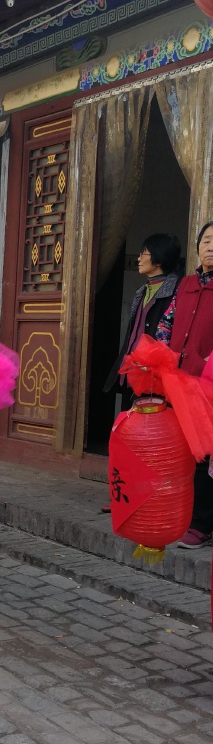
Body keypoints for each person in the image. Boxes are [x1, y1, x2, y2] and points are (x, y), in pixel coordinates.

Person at [156, 221, 213, 548]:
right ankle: (184, 514)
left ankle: (202, 524)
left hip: (209, 386)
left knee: (206, 454)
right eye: (206, 240)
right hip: (180, 381)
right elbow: (167, 321)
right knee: (182, 450)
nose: (210, 247)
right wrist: (163, 351)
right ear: (197, 247)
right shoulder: (186, 284)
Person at [104, 234, 181, 401]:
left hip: (153, 377)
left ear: (159, 259)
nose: (139, 259)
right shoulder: (142, 291)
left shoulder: (176, 292)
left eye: (143, 254)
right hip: (132, 372)